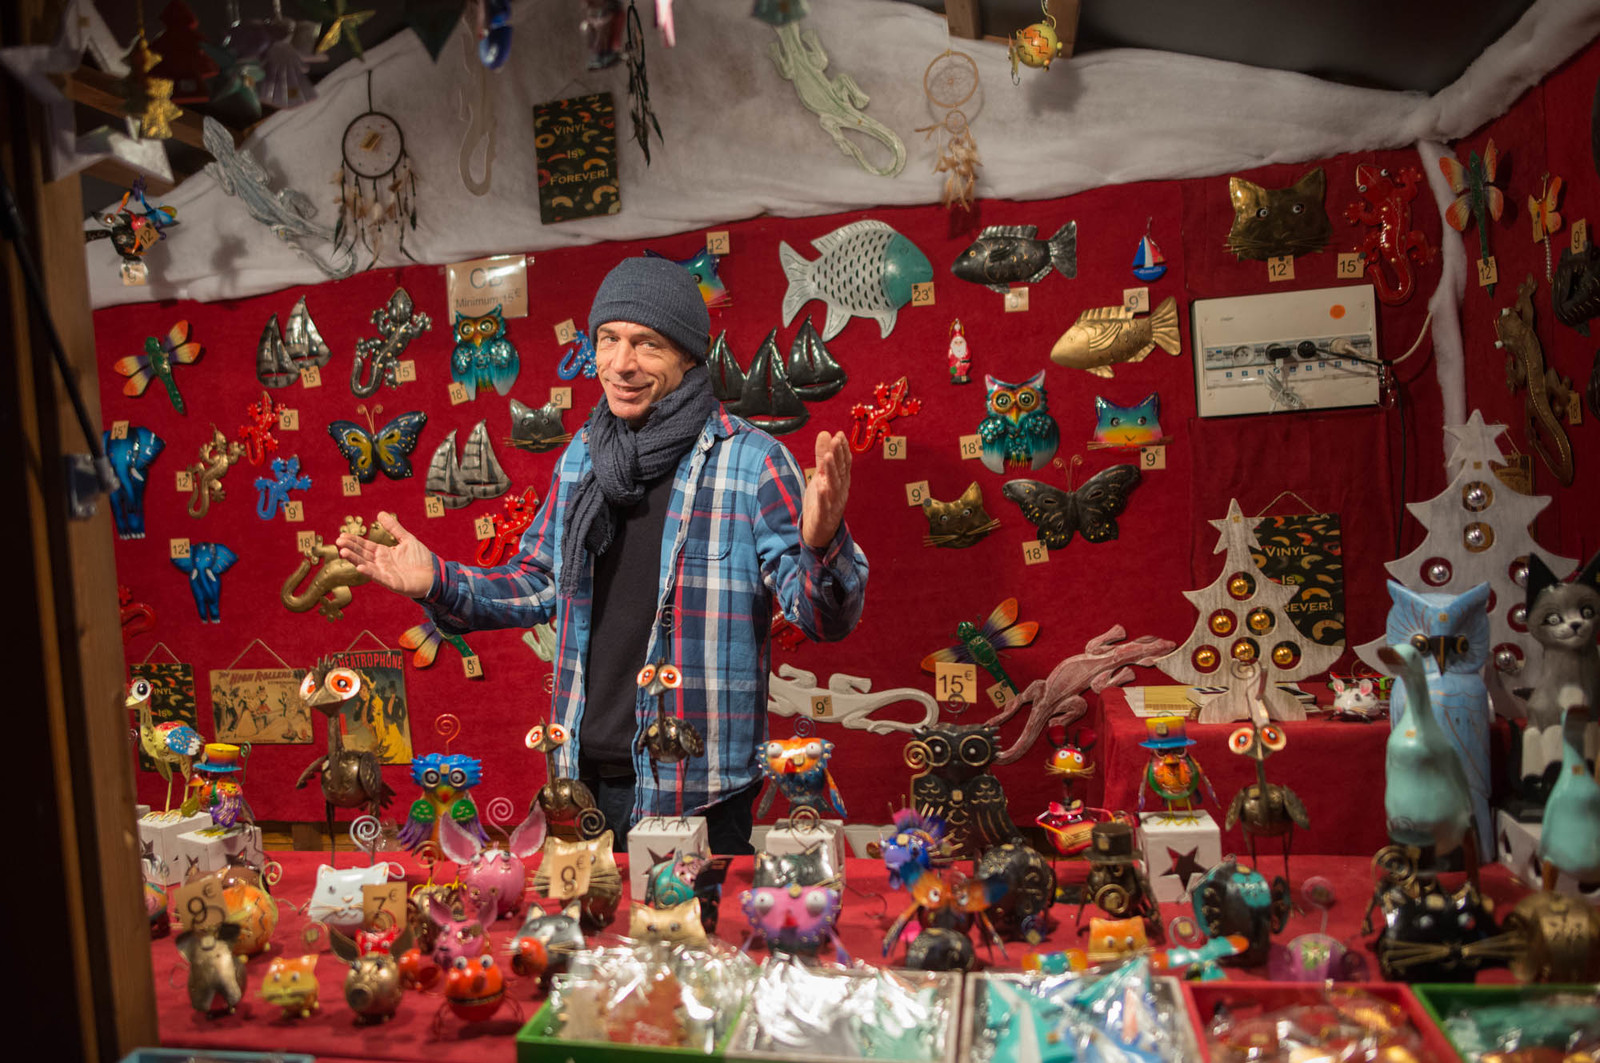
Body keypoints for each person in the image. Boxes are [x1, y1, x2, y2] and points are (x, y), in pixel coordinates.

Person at [338, 256, 868, 853]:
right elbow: (537, 580)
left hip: (698, 788)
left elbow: (823, 617)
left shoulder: (751, 462)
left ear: (689, 356)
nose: (620, 364)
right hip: (582, 779)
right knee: (590, 944)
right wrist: (437, 580)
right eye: (608, 340)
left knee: (696, 945)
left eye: (646, 344)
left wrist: (821, 545)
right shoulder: (584, 456)